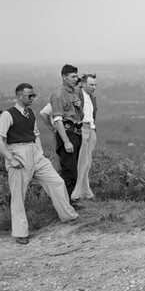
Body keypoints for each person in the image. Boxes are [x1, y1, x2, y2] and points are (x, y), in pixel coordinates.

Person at [0, 83, 79, 244]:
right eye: (29, 96)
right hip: (17, 152)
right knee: (18, 195)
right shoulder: (8, 114)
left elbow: (36, 134)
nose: (32, 98)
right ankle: (20, 232)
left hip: (34, 152)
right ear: (19, 96)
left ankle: (68, 215)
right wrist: (10, 158)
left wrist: (40, 153)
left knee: (56, 181)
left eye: (33, 95)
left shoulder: (31, 113)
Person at [49, 64, 84, 198]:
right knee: (68, 172)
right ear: (64, 77)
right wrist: (66, 141)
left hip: (76, 132)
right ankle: (65, 204)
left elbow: (80, 117)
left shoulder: (73, 93)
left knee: (75, 171)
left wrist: (79, 107)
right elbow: (58, 120)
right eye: (73, 76)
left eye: (76, 76)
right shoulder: (58, 95)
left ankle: (71, 201)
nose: (76, 79)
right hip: (67, 133)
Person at [70, 73, 98, 201]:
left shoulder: (92, 98)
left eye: (95, 84)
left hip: (91, 128)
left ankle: (86, 191)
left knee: (88, 163)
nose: (94, 87)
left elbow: (92, 113)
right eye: (91, 84)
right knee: (83, 162)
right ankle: (76, 193)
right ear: (84, 84)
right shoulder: (77, 95)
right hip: (83, 128)